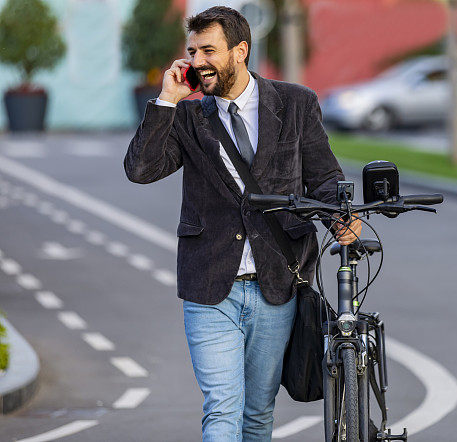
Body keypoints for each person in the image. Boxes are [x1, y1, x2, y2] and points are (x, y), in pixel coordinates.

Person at [123, 6, 361, 441]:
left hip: (277, 283)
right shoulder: (188, 117)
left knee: (256, 414)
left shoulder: (295, 103)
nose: (197, 61)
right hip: (210, 285)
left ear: (240, 51)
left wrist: (340, 219)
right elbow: (141, 170)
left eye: (208, 50)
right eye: (192, 51)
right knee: (222, 410)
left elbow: (324, 177)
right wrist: (166, 102)